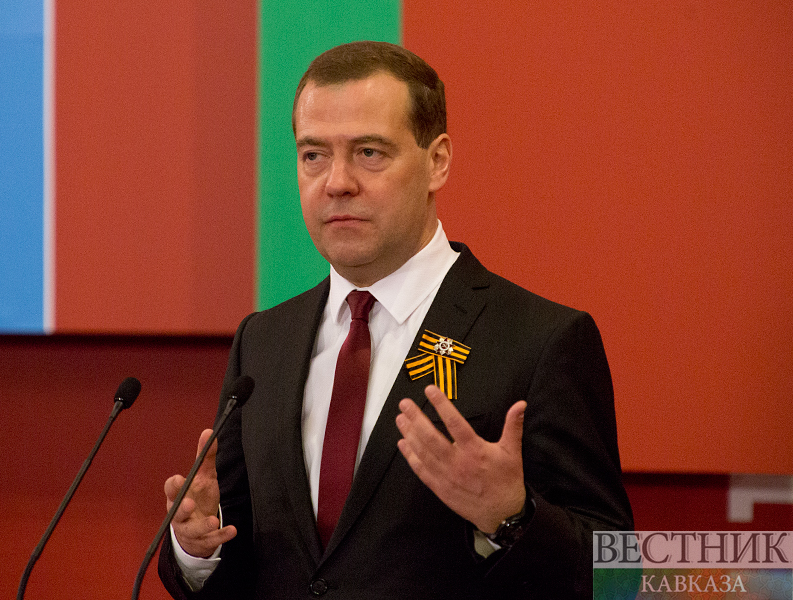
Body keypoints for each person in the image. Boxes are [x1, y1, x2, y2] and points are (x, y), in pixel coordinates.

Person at [158, 40, 633, 599]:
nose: (337, 181)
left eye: (369, 153)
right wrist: (196, 550)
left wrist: (512, 518)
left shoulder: (539, 340)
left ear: (437, 162)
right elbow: (256, 562)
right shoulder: (263, 342)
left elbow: (616, 574)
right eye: (313, 155)